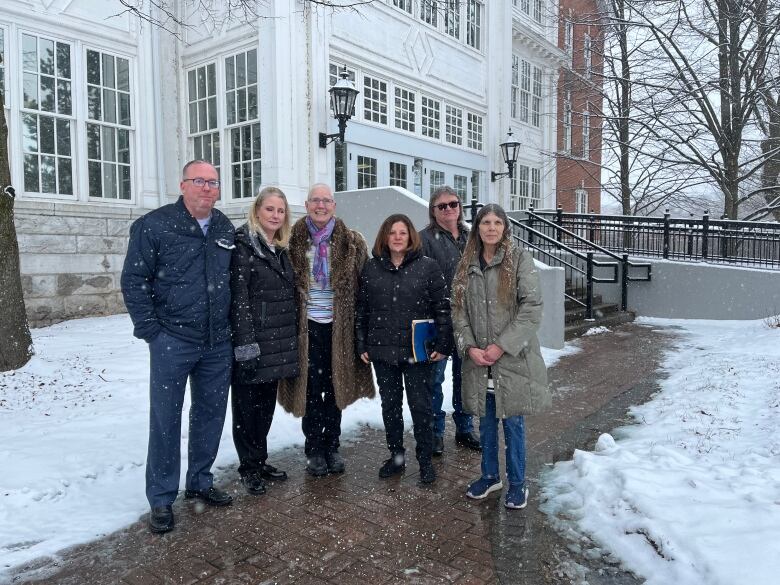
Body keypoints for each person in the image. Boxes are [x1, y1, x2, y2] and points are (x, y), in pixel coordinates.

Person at [121, 160, 235, 534]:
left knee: (210, 414)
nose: (207, 188)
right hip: (174, 341)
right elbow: (134, 280)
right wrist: (152, 331)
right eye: (199, 181)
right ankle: (161, 498)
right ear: (182, 184)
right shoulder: (154, 226)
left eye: (213, 182)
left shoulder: (223, 227)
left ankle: (200, 481)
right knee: (166, 419)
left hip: (217, 343)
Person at [451, 203, 550, 509]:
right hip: (480, 361)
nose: (491, 228)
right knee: (487, 421)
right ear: (477, 228)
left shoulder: (519, 260)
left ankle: (518, 483)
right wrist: (470, 347)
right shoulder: (466, 263)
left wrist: (500, 346)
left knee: (513, 423)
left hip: (512, 360)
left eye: (497, 222)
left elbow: (531, 309)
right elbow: (458, 311)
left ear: (505, 227)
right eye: (485, 223)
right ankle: (490, 475)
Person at [277, 183, 375, 476]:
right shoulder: (290, 241)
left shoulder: (353, 242)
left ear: (334, 205)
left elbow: (365, 289)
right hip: (305, 330)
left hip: (339, 329)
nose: (321, 205)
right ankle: (314, 449)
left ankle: (331, 446)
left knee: (335, 388)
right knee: (310, 390)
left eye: (326, 201)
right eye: (315, 201)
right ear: (306, 205)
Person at [356, 214, 452, 485]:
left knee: (421, 407)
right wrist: (361, 342)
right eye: (392, 232)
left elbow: (442, 308)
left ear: (411, 236)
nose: (398, 237)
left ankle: (424, 460)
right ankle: (396, 457)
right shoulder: (371, 268)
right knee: (391, 407)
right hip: (383, 352)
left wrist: (444, 344)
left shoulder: (428, 267)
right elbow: (361, 310)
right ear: (384, 237)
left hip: (417, 352)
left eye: (403, 232)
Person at [229, 187, 298, 496]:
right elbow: (239, 299)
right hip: (253, 342)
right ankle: (248, 467)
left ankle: (259, 459)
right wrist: (246, 346)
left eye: (280, 211)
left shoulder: (280, 247)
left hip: (275, 344)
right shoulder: (243, 245)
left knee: (265, 408)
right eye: (269, 209)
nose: (275, 215)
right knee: (246, 410)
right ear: (257, 211)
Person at [419, 186, 480, 456]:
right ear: (433, 211)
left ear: (460, 206)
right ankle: (434, 433)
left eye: (453, 204)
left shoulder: (472, 237)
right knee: (434, 378)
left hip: (469, 319)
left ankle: (465, 428)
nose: (449, 209)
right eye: (442, 206)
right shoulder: (424, 239)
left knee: (464, 377)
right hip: (438, 320)